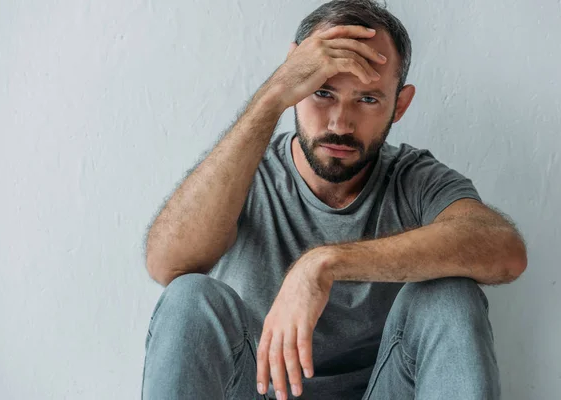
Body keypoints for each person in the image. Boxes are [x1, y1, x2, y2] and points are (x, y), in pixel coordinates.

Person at [141, 1, 527, 399]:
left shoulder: (412, 178)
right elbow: (166, 263)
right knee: (190, 298)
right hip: (258, 389)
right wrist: (274, 93)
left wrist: (324, 264)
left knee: (450, 296)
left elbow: (505, 251)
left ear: (400, 104)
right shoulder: (243, 172)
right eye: (322, 91)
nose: (340, 123)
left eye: (368, 99)